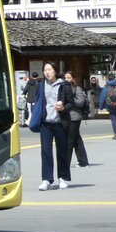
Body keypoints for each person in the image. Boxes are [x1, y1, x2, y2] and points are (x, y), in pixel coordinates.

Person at [35, 61, 72, 191]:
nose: (47, 72)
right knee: (45, 151)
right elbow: (38, 101)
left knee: (62, 151)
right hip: (45, 123)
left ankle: (62, 178)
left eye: (49, 69)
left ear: (55, 71)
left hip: (60, 122)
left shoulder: (64, 85)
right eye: (45, 70)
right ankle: (46, 179)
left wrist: (63, 108)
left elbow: (70, 103)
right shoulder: (41, 85)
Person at [63, 71, 89, 168]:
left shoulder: (77, 89)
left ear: (73, 79)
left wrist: (70, 100)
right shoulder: (63, 89)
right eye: (65, 78)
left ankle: (66, 162)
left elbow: (80, 102)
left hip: (75, 117)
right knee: (77, 139)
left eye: (69, 77)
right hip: (66, 116)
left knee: (70, 140)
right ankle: (83, 161)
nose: (67, 79)